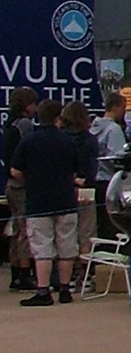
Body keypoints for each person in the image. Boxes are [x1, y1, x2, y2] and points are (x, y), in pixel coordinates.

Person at [9, 99, 95, 306]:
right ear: (58, 117)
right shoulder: (68, 142)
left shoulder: (29, 141)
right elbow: (76, 170)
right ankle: (65, 289)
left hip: (38, 201)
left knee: (42, 247)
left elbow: (15, 170)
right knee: (66, 245)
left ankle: (43, 290)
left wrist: (31, 179)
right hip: (65, 199)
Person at [4, 87, 39, 290]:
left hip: (10, 184)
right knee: (26, 230)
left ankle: (16, 272)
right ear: (27, 106)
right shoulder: (25, 125)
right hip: (22, 184)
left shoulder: (10, 125)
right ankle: (26, 273)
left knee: (16, 229)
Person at [61, 102, 98, 280]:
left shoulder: (61, 139)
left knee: (67, 233)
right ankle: (86, 273)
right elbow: (93, 169)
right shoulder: (90, 140)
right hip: (87, 189)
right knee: (87, 232)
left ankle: (69, 271)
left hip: (65, 189)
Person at [90, 93, 129, 239]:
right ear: (115, 107)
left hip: (95, 179)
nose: (124, 112)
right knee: (110, 224)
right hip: (109, 180)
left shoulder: (93, 127)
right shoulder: (114, 129)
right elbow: (118, 157)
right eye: (123, 108)